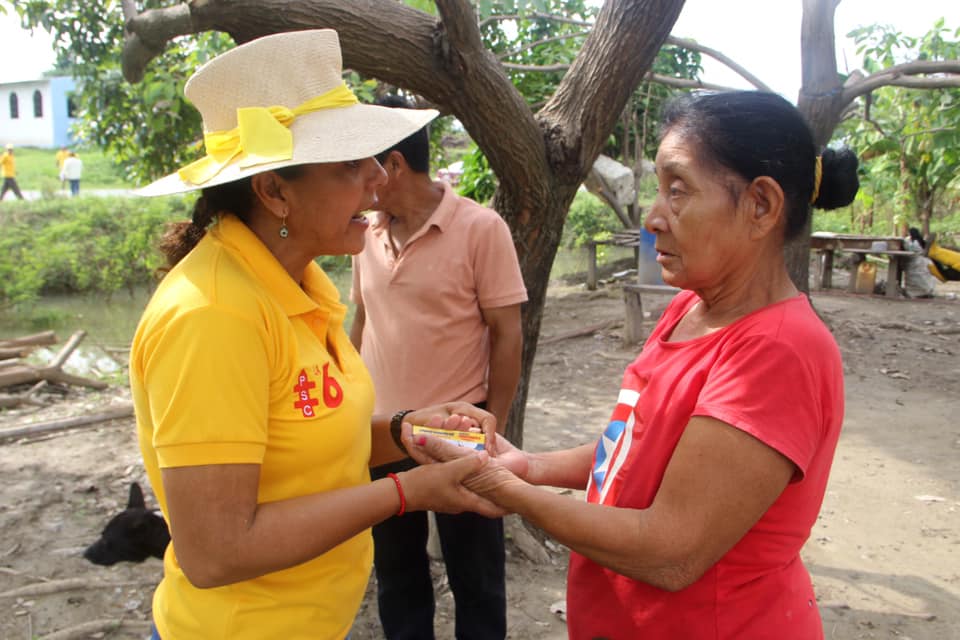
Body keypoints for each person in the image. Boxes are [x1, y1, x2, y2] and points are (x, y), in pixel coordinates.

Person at [411, 91, 861, 639]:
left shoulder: (778, 350)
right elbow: (634, 447)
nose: (653, 217)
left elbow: (671, 552)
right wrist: (527, 465)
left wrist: (508, 492)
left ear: (761, 206)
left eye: (678, 190)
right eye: (658, 190)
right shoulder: (688, 309)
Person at [129, 29, 501, 640]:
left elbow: (310, 437)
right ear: (274, 192)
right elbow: (216, 551)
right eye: (351, 164)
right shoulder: (214, 316)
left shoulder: (299, 281)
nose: (378, 177)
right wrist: (406, 492)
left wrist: (407, 430)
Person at [350, 95, 527, 640]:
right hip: (383, 430)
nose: (356, 181)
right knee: (396, 574)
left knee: (476, 573)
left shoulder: (481, 228)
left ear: (394, 165)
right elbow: (361, 320)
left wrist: (494, 426)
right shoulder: (363, 234)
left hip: (459, 428)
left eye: (361, 165)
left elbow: (507, 334)